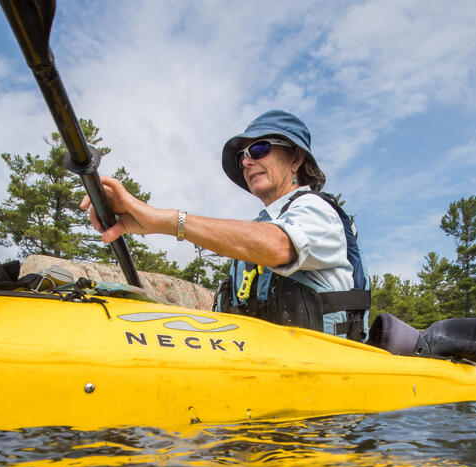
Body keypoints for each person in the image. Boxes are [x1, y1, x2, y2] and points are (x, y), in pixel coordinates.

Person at [81, 109, 370, 340]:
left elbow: (278, 245)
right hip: (262, 371)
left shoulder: (316, 210)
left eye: (258, 149)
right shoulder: (256, 232)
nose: (246, 162)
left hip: (325, 379)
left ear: (295, 158)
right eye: (242, 157)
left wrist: (164, 220)